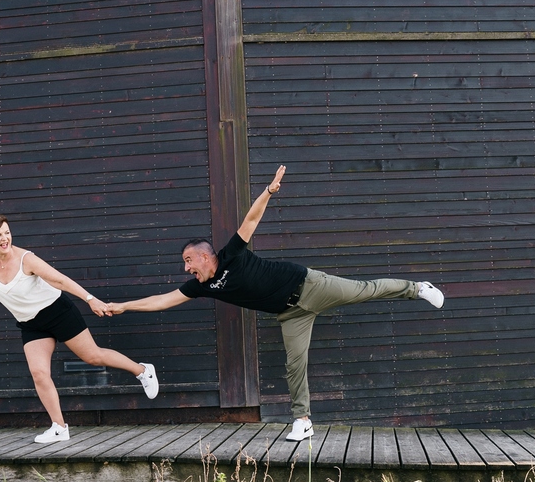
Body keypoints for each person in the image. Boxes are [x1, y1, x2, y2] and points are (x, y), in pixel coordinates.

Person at [104, 166, 444, 441]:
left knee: (365, 290)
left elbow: (249, 222)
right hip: (289, 313)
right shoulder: (201, 286)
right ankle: (303, 420)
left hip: (309, 286)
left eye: (189, 260)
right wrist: (125, 305)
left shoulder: (230, 255)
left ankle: (417, 288)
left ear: (207, 256)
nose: (186, 267)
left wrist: (267, 192)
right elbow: (163, 300)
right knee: (294, 364)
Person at [0, 215, 159, 444]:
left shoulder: (26, 259)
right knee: (39, 373)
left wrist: (90, 298)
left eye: (7, 232)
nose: (5, 238)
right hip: (31, 323)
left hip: (57, 312)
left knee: (93, 356)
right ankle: (59, 427)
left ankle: (142, 370)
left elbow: (58, 279)